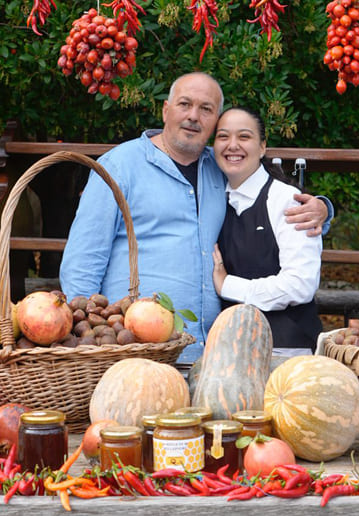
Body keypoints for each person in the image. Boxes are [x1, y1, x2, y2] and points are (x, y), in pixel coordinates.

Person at [59, 72, 332, 361]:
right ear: (165, 110)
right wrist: (88, 339)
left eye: (206, 109)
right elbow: (83, 262)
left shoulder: (220, 166)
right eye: (184, 104)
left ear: (215, 122)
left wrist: (322, 209)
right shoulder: (119, 166)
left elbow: (264, 189)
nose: (193, 116)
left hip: (213, 355)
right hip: (136, 348)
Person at [212, 106, 323, 353]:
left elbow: (300, 285)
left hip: (287, 348)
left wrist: (227, 285)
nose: (232, 145)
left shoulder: (289, 202)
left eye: (244, 136)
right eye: (223, 136)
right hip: (231, 347)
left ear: (262, 147)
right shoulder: (213, 197)